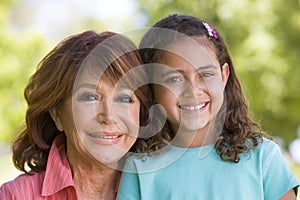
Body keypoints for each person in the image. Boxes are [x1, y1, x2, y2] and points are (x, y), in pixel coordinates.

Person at [117, 14, 299, 199]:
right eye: (174, 79)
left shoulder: (263, 157)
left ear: (223, 76)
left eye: (205, 74)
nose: (193, 90)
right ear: (151, 86)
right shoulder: (139, 168)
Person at [0, 30, 151, 199]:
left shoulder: (165, 190)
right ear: (57, 115)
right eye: (89, 97)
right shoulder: (15, 196)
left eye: (124, 98)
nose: (109, 116)